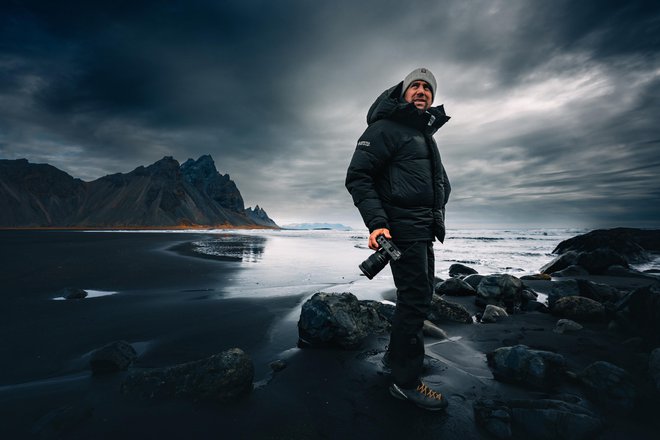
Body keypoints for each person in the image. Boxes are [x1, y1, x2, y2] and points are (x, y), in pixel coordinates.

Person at [345, 67, 451, 411]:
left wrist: (438, 205)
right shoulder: (385, 128)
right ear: (403, 93)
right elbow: (358, 176)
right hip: (401, 229)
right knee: (415, 300)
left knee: (420, 296)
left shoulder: (424, 134)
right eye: (415, 86)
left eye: (427, 88)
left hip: (422, 229)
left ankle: (396, 358)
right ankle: (405, 382)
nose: (421, 91)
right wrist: (377, 223)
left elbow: (436, 183)